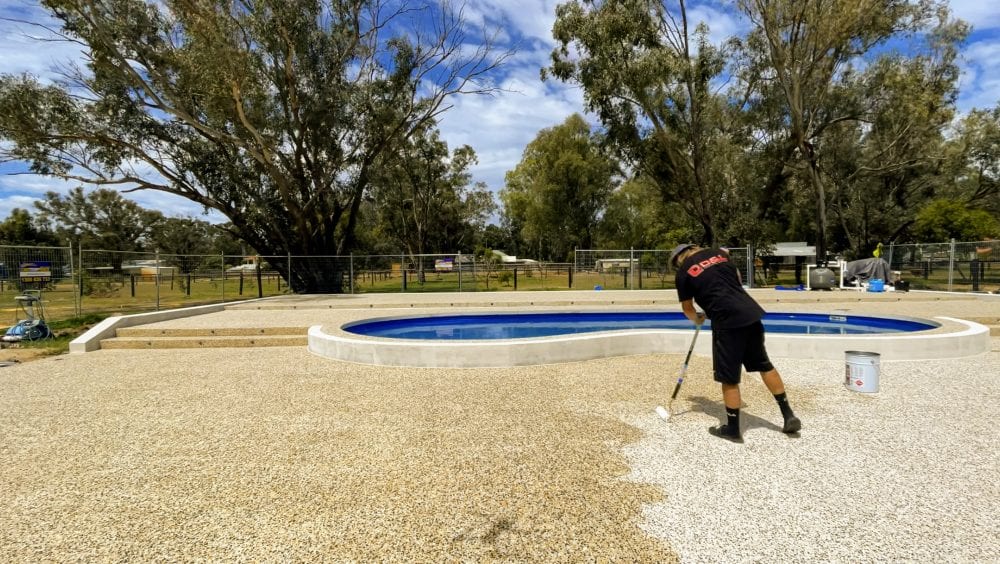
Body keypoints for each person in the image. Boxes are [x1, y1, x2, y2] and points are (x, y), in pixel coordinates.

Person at [670, 243, 802, 443]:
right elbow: (737, 280)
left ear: (679, 259)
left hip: (726, 320)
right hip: (749, 312)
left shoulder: (683, 274)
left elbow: (688, 308)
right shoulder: (720, 254)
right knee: (763, 364)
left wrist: (698, 317)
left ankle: (732, 429)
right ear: (694, 247)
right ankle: (788, 414)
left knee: (729, 377)